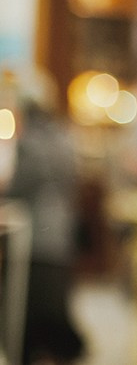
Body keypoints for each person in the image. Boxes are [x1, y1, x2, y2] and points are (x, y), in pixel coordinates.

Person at [2, 66, 86, 364]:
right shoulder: (64, 137)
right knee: (53, 301)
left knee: (29, 311)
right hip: (60, 232)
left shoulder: (30, 144)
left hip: (34, 236)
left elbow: (18, 188)